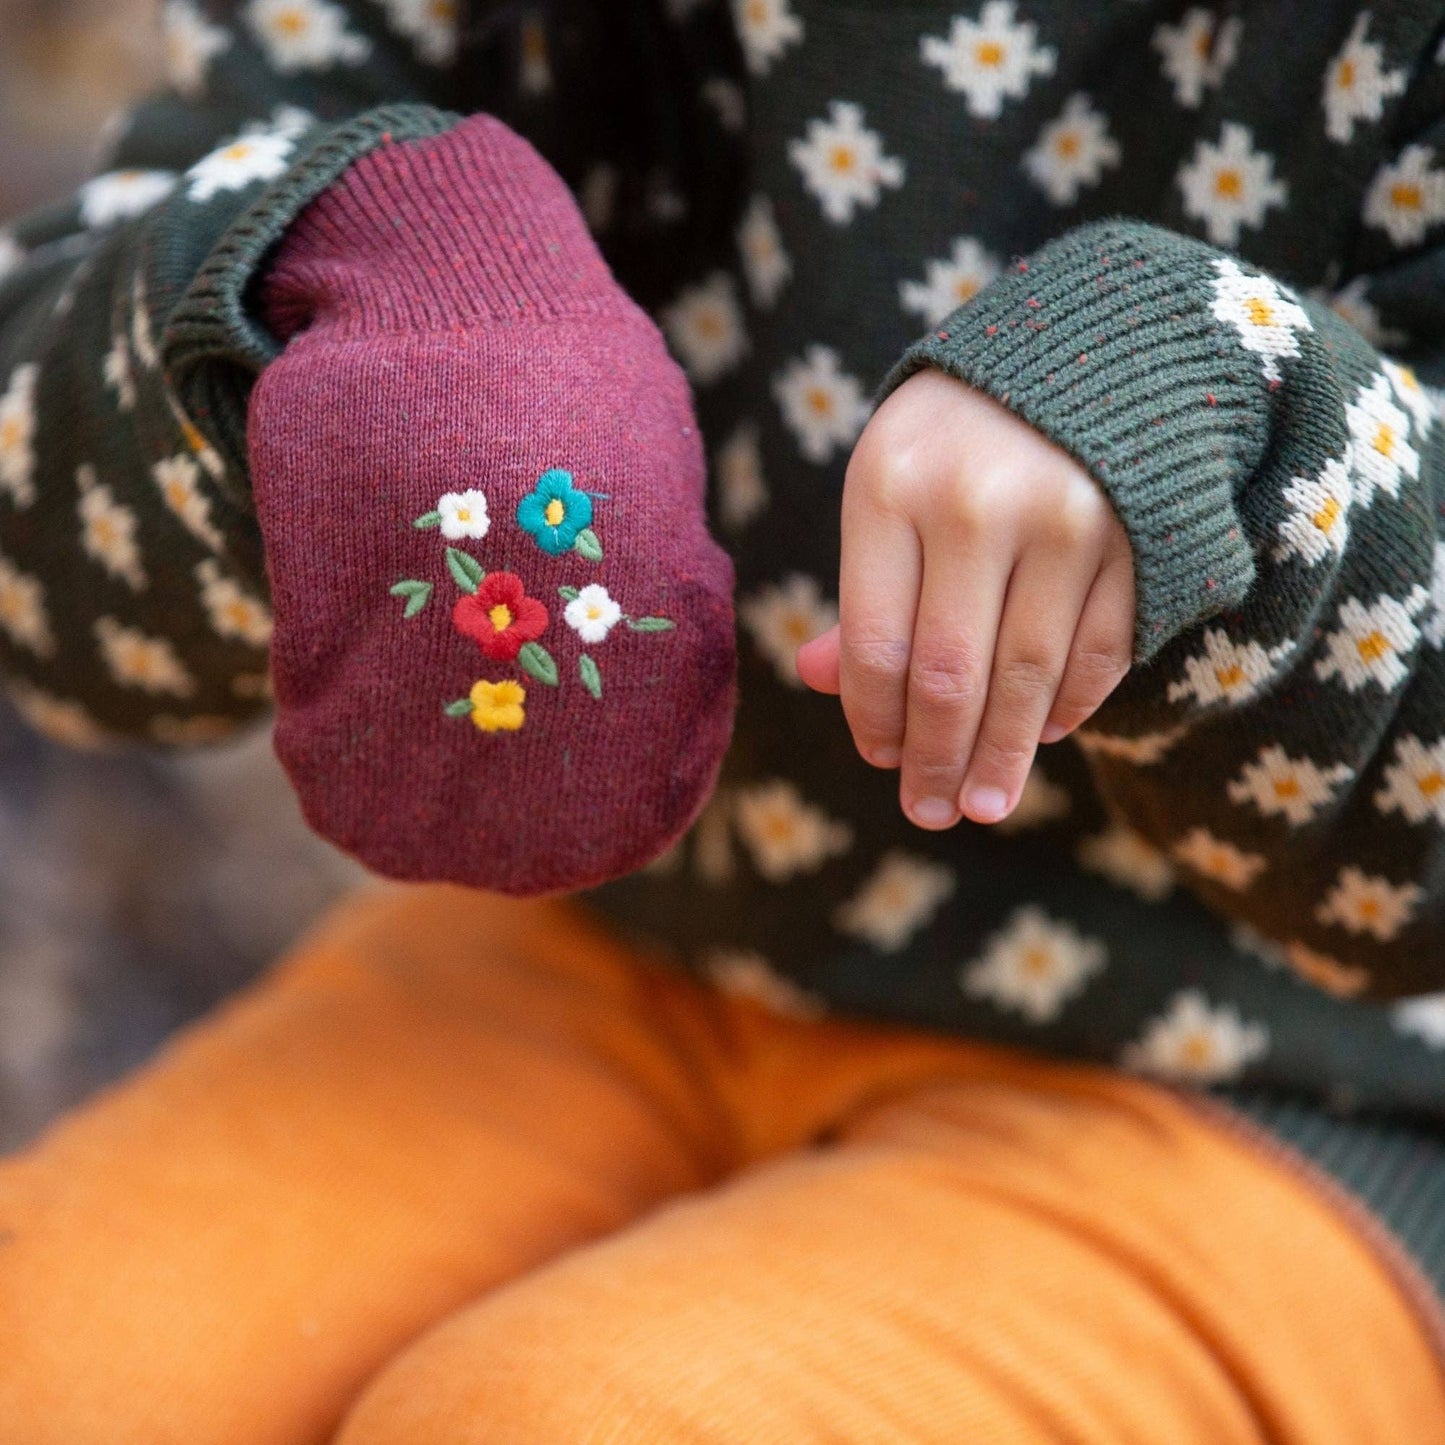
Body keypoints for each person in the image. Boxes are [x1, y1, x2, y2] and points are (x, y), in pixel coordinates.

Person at [1, 1, 1444, 1439]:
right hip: (606, 931)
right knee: (60, 1368)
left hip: (1255, 1077)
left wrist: (1237, 427)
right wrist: (305, 262)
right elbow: (39, 550)